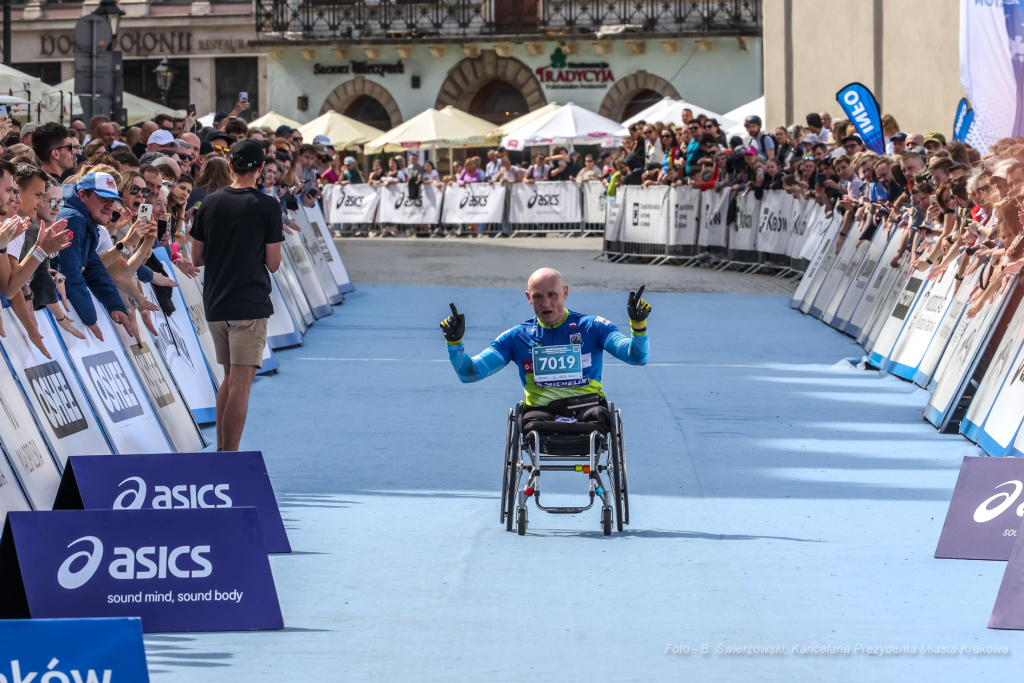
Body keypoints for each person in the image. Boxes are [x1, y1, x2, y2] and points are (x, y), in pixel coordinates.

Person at [439, 269, 651, 421]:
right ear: (528, 298)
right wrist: (454, 343)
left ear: (565, 292)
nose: (546, 303)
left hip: (587, 408)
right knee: (533, 425)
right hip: (541, 414)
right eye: (537, 296)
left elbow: (636, 357)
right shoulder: (516, 337)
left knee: (600, 417)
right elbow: (470, 373)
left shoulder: (593, 327)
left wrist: (638, 326)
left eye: (552, 294)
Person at [190, 139, 284, 451]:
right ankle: (229, 457)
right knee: (241, 383)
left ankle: (221, 451)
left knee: (229, 378)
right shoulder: (268, 206)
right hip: (249, 301)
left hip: (216, 300)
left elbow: (196, 257)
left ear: (231, 166)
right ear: (260, 169)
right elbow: (273, 263)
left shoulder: (210, 204)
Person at [53, 171, 137, 341]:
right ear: (82, 195)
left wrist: (115, 305)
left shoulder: (85, 219)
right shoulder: (73, 218)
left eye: (112, 200)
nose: (109, 206)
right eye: (102, 199)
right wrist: (90, 319)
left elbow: (92, 266)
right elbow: (70, 273)